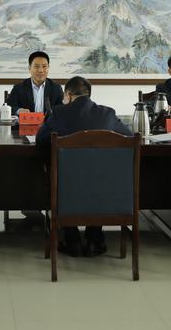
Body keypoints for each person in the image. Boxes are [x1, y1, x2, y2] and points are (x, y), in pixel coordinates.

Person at [36, 76, 132, 258]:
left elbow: (40, 141)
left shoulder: (58, 113)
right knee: (98, 178)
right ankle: (94, 239)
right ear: (89, 94)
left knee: (67, 178)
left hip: (67, 187)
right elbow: (129, 138)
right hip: (104, 187)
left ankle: (72, 240)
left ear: (68, 95)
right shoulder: (107, 113)